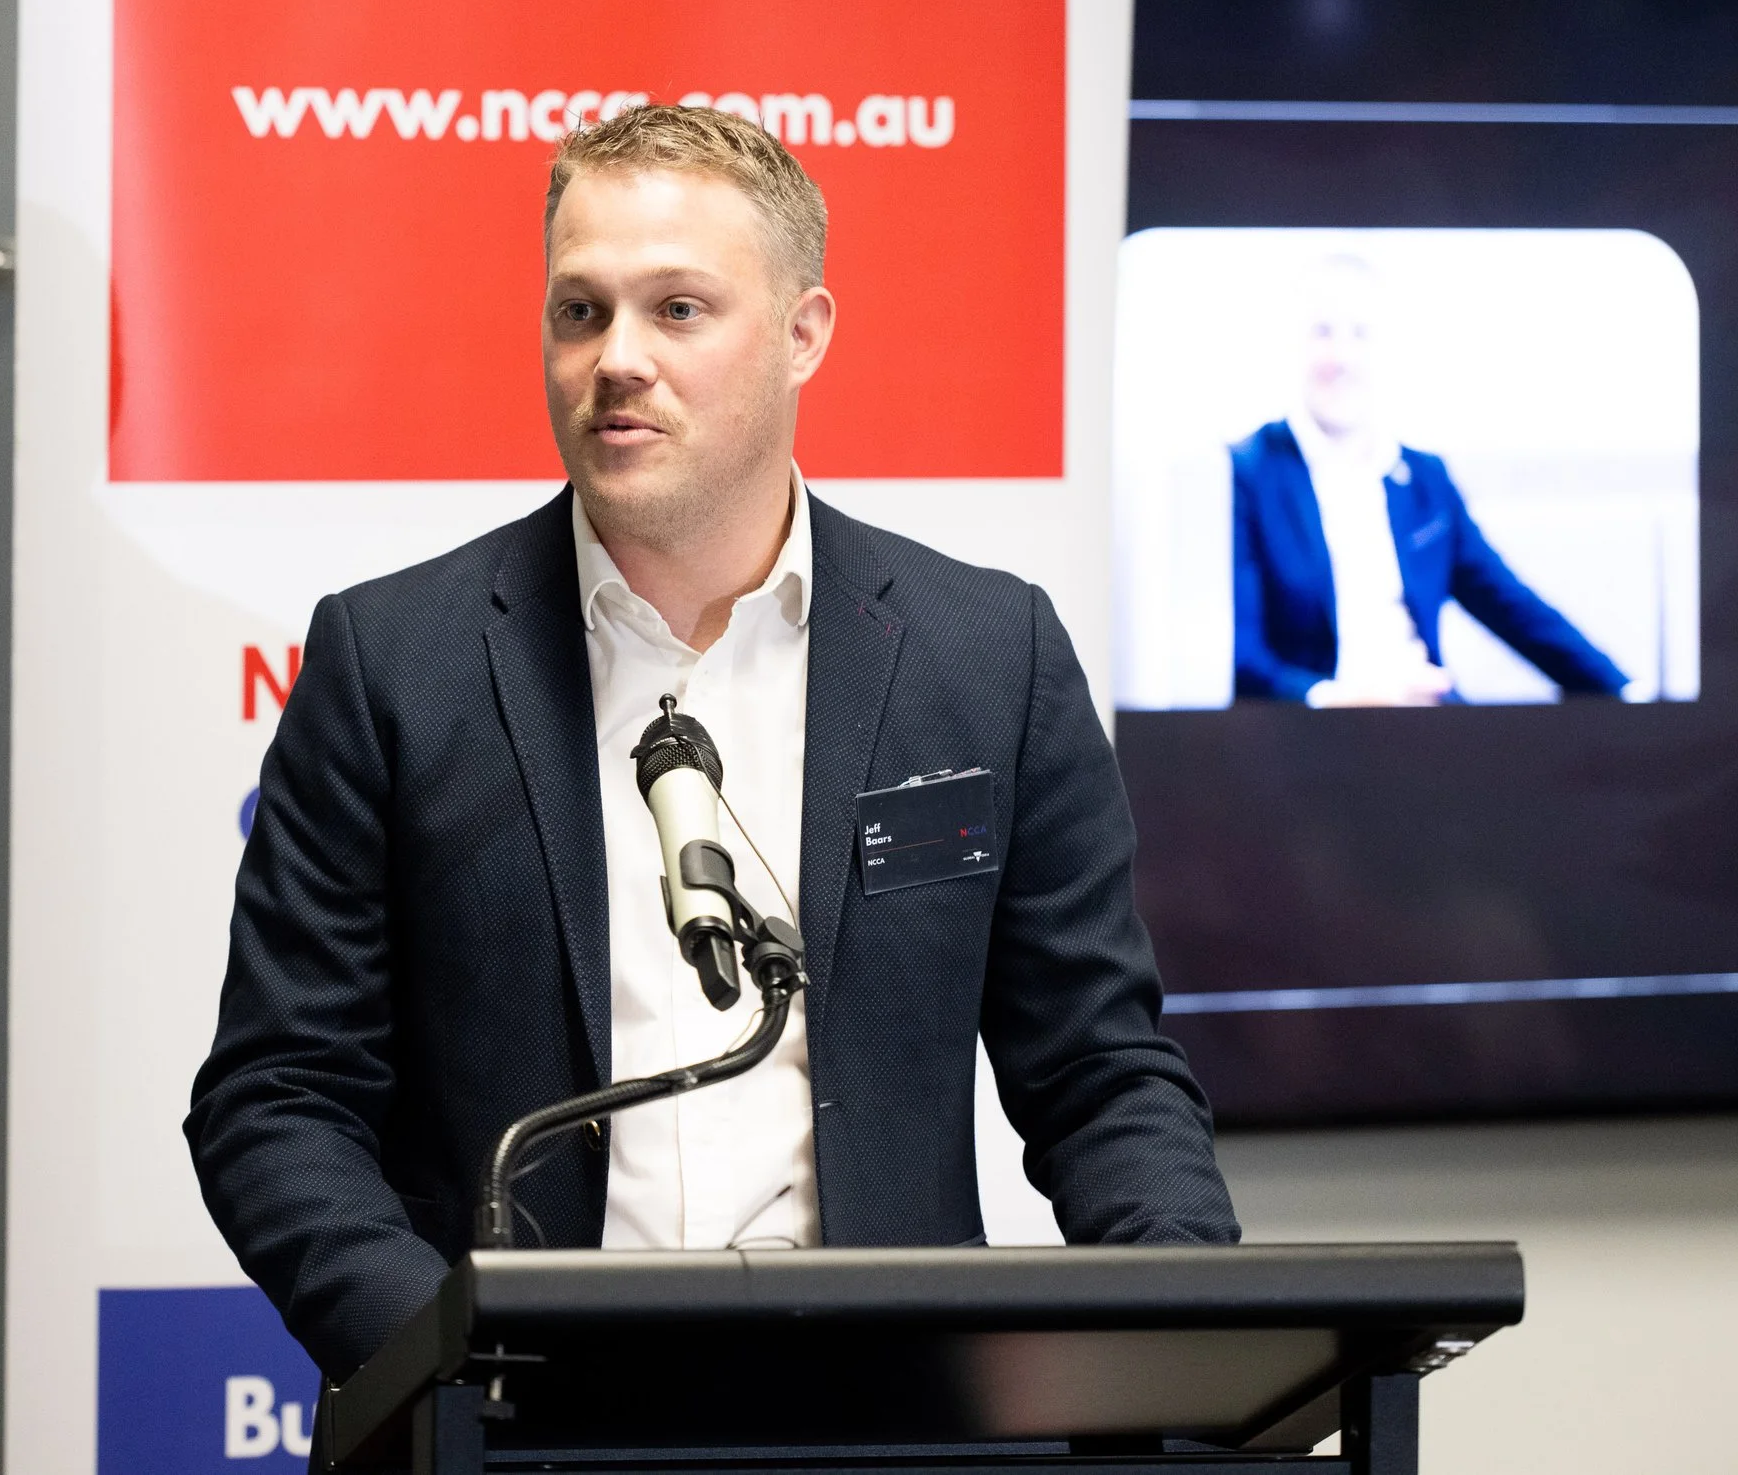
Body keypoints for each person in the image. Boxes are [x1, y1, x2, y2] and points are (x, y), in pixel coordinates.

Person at [186, 105, 1237, 1384]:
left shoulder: (986, 656)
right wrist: (455, 1366)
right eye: (580, 311)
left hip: (887, 1423)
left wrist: (1194, 1332)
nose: (615, 358)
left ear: (804, 335)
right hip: (508, 1429)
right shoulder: (391, 662)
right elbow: (277, 1099)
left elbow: (1098, 1072)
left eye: (677, 309)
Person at [1232, 256, 1628, 706]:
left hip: (1429, 719)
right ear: (1295, 345)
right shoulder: (1246, 474)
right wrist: (1344, 697)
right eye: (1323, 332)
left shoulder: (1425, 481)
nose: (1341, 357)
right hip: (1308, 737)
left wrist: (1626, 693)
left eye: (1360, 334)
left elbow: (1511, 606)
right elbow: (1239, 656)